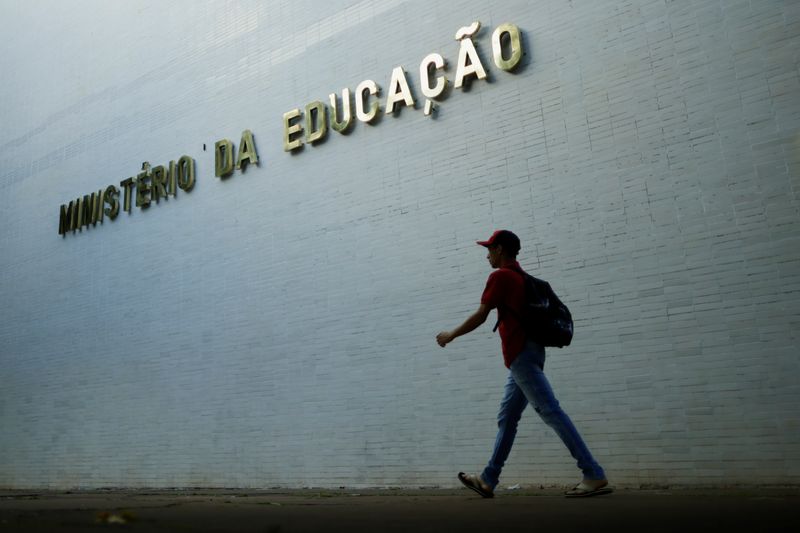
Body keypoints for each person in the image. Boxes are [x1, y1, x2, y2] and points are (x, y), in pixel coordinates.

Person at [435, 229, 611, 498]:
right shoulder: (521, 278)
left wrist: (450, 335)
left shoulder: (501, 277)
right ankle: (487, 479)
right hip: (531, 352)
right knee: (508, 417)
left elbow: (482, 315)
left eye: (489, 249)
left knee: (551, 411)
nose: (487, 255)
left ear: (501, 250)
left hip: (520, 355)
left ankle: (593, 473)